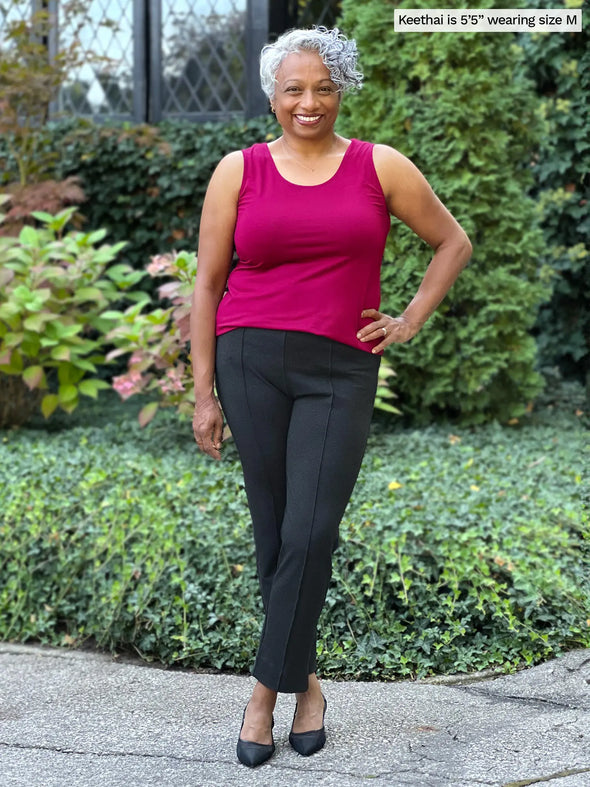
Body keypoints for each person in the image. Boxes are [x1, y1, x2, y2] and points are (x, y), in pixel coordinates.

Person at [190, 26, 472, 768]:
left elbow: (454, 241)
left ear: (340, 88)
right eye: (293, 88)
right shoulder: (238, 170)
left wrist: (408, 319)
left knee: (311, 530)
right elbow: (208, 283)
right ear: (273, 96)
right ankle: (307, 686)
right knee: (274, 528)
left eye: (322, 86)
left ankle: (262, 692)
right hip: (248, 359)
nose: (308, 101)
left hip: (340, 367)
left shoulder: (380, 167)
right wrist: (201, 393)